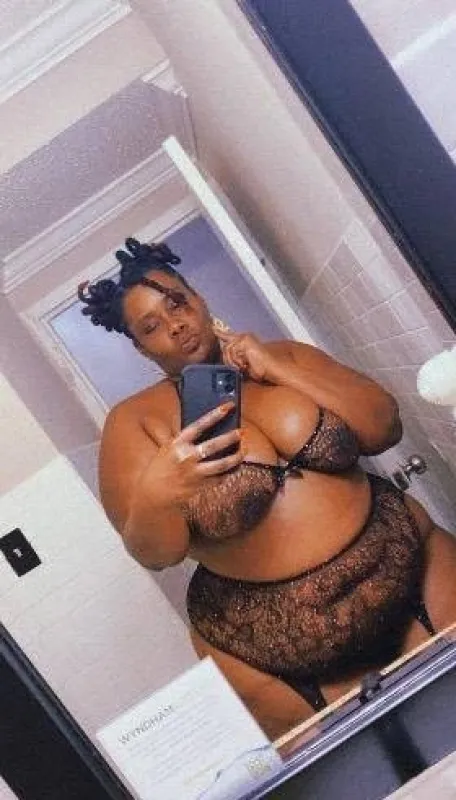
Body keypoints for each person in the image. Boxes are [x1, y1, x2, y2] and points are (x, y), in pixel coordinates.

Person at [78, 237, 456, 741]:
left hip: (413, 570)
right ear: (141, 348)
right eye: (150, 326)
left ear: (198, 299)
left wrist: (278, 369)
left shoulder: (284, 354)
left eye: (177, 302)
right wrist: (158, 493)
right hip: (276, 654)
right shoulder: (133, 422)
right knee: (380, 763)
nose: (175, 324)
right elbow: (155, 553)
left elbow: (384, 427)